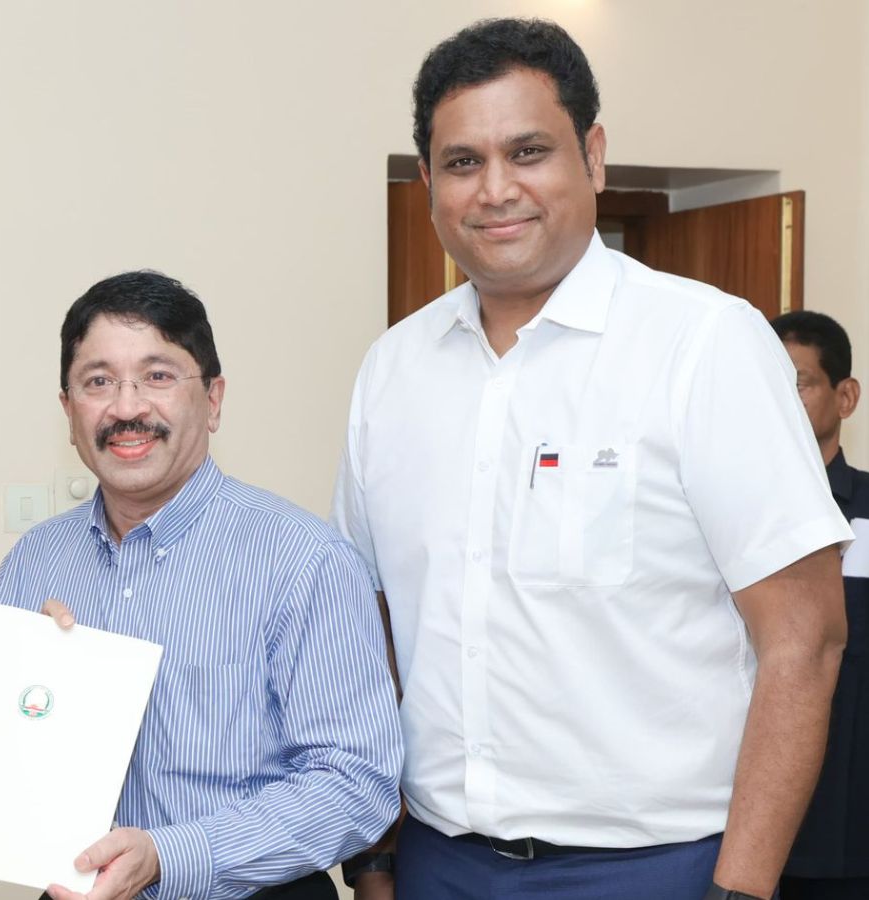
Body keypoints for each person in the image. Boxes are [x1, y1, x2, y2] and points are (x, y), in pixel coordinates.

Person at [332, 17, 849, 900]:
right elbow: (370, 627)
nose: (497, 189)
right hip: (439, 862)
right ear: (427, 183)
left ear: (594, 157)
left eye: (529, 151)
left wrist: (740, 889)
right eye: (463, 162)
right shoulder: (393, 370)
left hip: (660, 867)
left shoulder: (705, 344)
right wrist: (378, 856)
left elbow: (806, 637)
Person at [0, 270, 403, 900]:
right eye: (98, 382)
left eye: (157, 376)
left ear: (212, 400)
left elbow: (355, 785)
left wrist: (169, 855)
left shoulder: (303, 561)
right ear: (69, 412)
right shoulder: (34, 562)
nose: (127, 408)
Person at [771, 311, 869, 900]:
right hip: (731, 820)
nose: (778, 404)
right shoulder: (712, 514)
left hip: (850, 824)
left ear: (845, 396)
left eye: (799, 384)